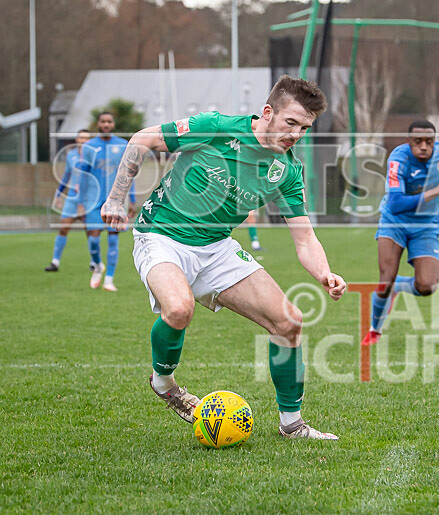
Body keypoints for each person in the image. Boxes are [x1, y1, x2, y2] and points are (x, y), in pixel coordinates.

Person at [100, 75, 346, 440]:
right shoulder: (216, 128)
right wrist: (116, 199)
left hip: (216, 247)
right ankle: (164, 383)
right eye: (291, 122)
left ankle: (292, 425)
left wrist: (325, 273)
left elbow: (305, 237)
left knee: (289, 322)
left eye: (305, 128)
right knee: (179, 309)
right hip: (161, 236)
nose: (296, 134)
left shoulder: (287, 171)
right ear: (268, 113)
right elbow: (142, 139)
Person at [361, 120, 439, 346]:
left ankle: (398, 286)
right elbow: (396, 203)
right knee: (385, 281)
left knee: (427, 286)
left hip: (426, 224)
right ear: (409, 142)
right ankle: (375, 329)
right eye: (418, 141)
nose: (424, 146)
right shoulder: (398, 159)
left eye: (429, 141)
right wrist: (437, 190)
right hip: (394, 222)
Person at [82, 112, 136, 291]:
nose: (106, 124)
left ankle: (109, 280)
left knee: (113, 240)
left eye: (109, 121)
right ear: (98, 124)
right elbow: (83, 175)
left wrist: (132, 200)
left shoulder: (122, 145)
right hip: (93, 200)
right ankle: (98, 266)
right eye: (103, 121)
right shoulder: (89, 146)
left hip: (116, 200)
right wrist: (80, 200)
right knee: (93, 240)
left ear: (113, 124)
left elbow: (129, 173)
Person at [45, 129, 91, 272]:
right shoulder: (71, 155)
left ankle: (95, 262)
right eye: (81, 137)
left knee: (91, 232)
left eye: (86, 138)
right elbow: (66, 175)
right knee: (63, 228)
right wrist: (58, 194)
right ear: (77, 139)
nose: (83, 141)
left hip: (88, 199)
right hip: (72, 198)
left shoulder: (94, 156)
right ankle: (55, 262)